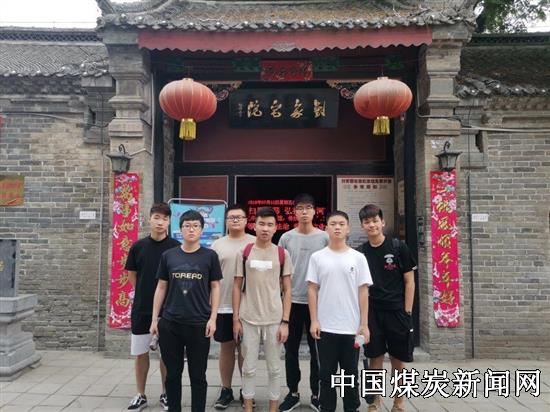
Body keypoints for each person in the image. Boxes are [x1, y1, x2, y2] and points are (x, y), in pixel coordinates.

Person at [150, 209, 222, 412]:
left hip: (199, 323)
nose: (191, 229)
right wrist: (155, 319)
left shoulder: (210, 256)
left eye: (195, 226)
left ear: (202, 230)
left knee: (198, 375)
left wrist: (213, 318)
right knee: (172, 374)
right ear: (180, 229)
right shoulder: (169, 255)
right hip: (170, 323)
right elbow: (161, 287)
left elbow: (215, 287)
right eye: (187, 226)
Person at [307, 210, 372, 412]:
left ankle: (351, 408)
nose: (337, 227)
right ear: (326, 228)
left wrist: (364, 324)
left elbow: (363, 291)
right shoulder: (317, 257)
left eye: (341, 224)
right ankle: (327, 408)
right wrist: (314, 320)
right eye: (333, 224)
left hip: (351, 327)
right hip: (325, 327)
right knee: (326, 375)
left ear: (348, 229)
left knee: (349, 374)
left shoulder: (358, 258)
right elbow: (312, 289)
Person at [233, 207, 293, 412]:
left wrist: (285, 322)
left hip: (274, 319)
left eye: (269, 225)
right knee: (248, 368)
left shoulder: (282, 253)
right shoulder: (244, 253)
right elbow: (236, 286)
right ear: (254, 226)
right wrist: (236, 319)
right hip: (248, 317)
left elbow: (287, 289)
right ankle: (248, 407)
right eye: (261, 224)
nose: (265, 228)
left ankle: (273, 408)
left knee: (274, 368)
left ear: (276, 228)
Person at [357, 204, 416, 412]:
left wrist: (407, 311)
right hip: (372, 313)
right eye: (367, 222)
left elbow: (410, 281)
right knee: (375, 358)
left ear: (383, 222)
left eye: (375, 220)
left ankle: (399, 402)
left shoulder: (399, 248)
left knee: (398, 360)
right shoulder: (361, 253)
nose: (371, 225)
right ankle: (375, 401)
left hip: (397, 311)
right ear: (362, 225)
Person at [125, 202, 180, 411]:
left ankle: (166, 394)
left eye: (165, 219)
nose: (160, 222)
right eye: (157, 217)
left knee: (167, 354)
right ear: (149, 219)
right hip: (142, 310)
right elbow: (132, 275)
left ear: (169, 222)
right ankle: (140, 394)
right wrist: (144, 294)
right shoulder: (138, 246)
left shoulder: (175, 247)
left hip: (168, 311)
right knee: (141, 353)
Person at [278, 194, 328, 412]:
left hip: (318, 304)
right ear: (294, 212)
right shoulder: (286, 238)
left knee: (318, 352)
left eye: (308, 207)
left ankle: (317, 394)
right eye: (300, 208)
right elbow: (280, 271)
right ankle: (293, 393)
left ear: (315, 211)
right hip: (292, 302)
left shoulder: (325, 237)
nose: (304, 212)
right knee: (291, 351)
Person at [212, 205, 255, 409]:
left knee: (246, 350)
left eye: (239, 217)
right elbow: (211, 278)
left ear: (246, 220)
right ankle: (226, 389)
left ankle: (247, 391)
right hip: (224, 305)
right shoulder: (217, 245)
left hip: (249, 306)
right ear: (226, 221)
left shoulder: (255, 243)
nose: (235, 220)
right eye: (231, 217)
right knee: (226, 347)